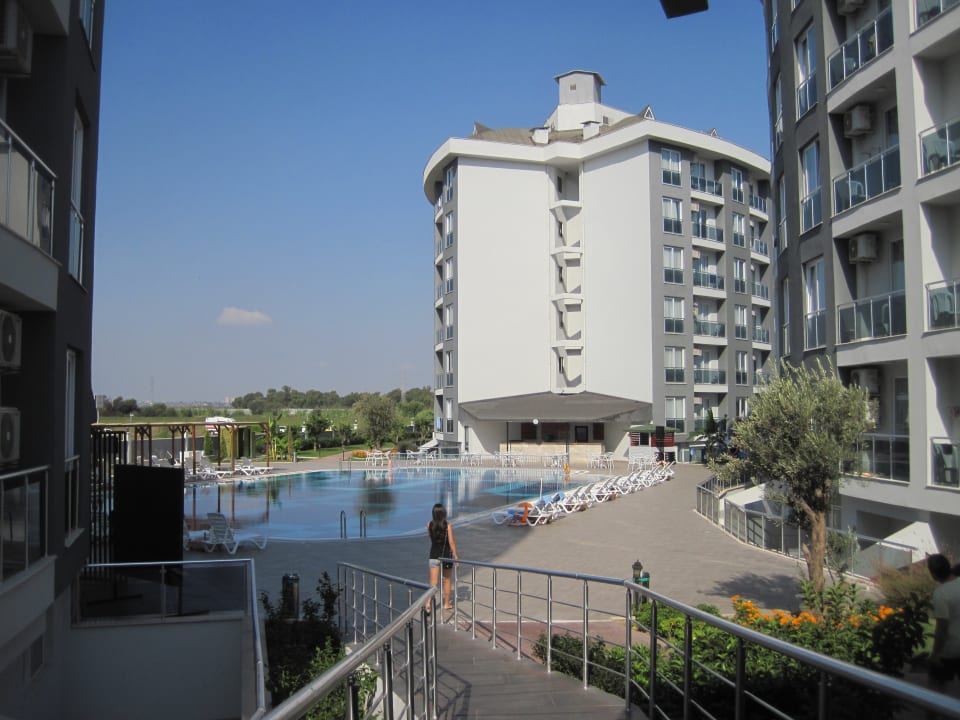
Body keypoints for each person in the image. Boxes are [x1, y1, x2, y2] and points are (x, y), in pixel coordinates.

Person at [927, 553, 960, 695]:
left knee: (936, 689)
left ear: (933, 574)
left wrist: (935, 653)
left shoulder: (940, 594)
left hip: (950, 651)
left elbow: (942, 628)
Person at [427, 503, 459, 611]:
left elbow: (432, 539)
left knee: (433, 582)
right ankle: (446, 604)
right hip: (446, 556)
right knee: (447, 580)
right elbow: (451, 542)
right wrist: (456, 555)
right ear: (443, 513)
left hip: (433, 555)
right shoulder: (448, 526)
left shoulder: (429, 524)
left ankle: (428, 603)